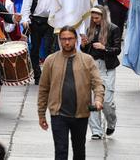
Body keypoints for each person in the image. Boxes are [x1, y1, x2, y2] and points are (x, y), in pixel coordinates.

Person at [37, 26, 104, 160]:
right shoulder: (51, 60)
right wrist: (41, 114)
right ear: (59, 40)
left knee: (79, 151)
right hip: (58, 113)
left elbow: (97, 83)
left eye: (70, 39)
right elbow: (43, 89)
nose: (67, 42)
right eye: (63, 39)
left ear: (76, 40)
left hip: (80, 113)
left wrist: (98, 99)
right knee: (60, 152)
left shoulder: (87, 60)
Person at [79, 5, 121, 140]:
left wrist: (104, 48)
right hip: (92, 66)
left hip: (107, 67)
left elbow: (117, 50)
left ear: (103, 17)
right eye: (93, 18)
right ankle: (96, 130)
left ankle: (111, 121)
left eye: (97, 18)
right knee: (92, 100)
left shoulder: (113, 29)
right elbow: (85, 51)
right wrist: (84, 44)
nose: (95, 20)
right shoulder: (90, 29)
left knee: (107, 101)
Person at [19, 0, 55, 84]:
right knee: (35, 49)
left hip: (50, 21)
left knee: (49, 48)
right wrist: (25, 20)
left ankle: (49, 75)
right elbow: (26, 6)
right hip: (35, 22)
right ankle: (37, 75)